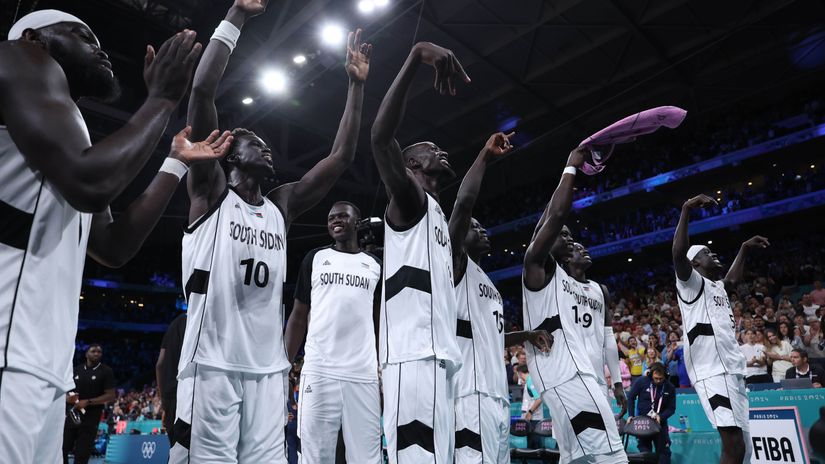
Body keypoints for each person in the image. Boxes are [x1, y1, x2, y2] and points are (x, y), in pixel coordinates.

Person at [0, 10, 232, 462]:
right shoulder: (17, 56)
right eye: (82, 34)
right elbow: (91, 183)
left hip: (39, 362)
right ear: (35, 37)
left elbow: (112, 246)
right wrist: (162, 100)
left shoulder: (66, 135)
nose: (100, 47)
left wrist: (176, 161)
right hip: (8, 348)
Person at [170, 0, 371, 460]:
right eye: (254, 144)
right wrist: (237, 15)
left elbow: (339, 158)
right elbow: (202, 93)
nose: (267, 150)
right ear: (230, 155)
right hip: (212, 363)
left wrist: (355, 87)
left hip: (268, 368)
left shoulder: (281, 206)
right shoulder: (211, 192)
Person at [369, 39, 470, 463]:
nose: (440, 150)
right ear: (410, 166)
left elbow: (464, 208)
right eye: (429, 149)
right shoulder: (409, 201)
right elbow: (379, 137)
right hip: (413, 355)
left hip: (436, 356)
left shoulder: (436, 215)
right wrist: (413, 56)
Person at [448, 132, 551, 463]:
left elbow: (492, 337)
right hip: (467, 391)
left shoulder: (488, 282)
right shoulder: (456, 266)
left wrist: (526, 335)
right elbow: (463, 206)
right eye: (474, 228)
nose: (482, 231)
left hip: (496, 394)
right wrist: (484, 158)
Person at [522, 147, 627, 463]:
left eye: (570, 235)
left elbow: (551, 220)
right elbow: (553, 218)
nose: (568, 238)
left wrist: (615, 381)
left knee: (577, 457)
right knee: (612, 454)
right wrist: (569, 168)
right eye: (562, 234)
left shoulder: (583, 285)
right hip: (566, 376)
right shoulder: (539, 270)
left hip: (584, 374)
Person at [673, 193, 769, 464]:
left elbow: (733, 280)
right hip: (712, 372)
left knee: (746, 450)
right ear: (695, 264)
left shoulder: (718, 288)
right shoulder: (690, 285)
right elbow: (678, 253)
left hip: (733, 372)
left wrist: (744, 248)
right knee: (734, 446)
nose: (713, 254)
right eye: (706, 253)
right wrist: (686, 209)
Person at [283, 201, 383, 463]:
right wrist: (283, 365)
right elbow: (298, 315)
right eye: (331, 218)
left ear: (357, 223)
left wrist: (384, 363)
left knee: (367, 456)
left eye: (343, 216)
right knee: (315, 456)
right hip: (319, 370)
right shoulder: (315, 258)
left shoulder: (374, 264)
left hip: (362, 374)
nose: (335, 221)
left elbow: (378, 320)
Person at [564, 242, 628, 416]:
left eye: (583, 247)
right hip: (570, 378)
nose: (584, 250)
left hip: (598, 377)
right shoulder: (559, 284)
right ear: (567, 257)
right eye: (577, 249)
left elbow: (608, 337)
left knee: (606, 437)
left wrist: (617, 383)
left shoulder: (601, 290)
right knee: (573, 441)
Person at [63, 344, 115, 464]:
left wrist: (89, 402)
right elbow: (66, 391)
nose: (96, 353)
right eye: (93, 351)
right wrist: (67, 398)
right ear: (86, 354)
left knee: (82, 454)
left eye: (99, 352)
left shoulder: (106, 371)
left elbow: (110, 395)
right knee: (62, 449)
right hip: (72, 416)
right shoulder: (76, 370)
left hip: (90, 419)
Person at [626, 363, 675, 464]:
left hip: (660, 425)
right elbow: (630, 397)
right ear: (650, 375)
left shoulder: (670, 387)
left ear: (665, 376)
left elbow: (671, 408)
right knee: (645, 454)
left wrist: (661, 416)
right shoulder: (641, 381)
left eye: (661, 378)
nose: (658, 381)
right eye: (656, 378)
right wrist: (630, 415)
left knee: (664, 453)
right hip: (643, 424)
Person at [155, 313, 186, 446]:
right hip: (190, 393)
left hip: (170, 396)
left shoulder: (176, 322)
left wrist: (164, 403)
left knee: (175, 447)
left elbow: (159, 364)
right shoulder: (204, 319)